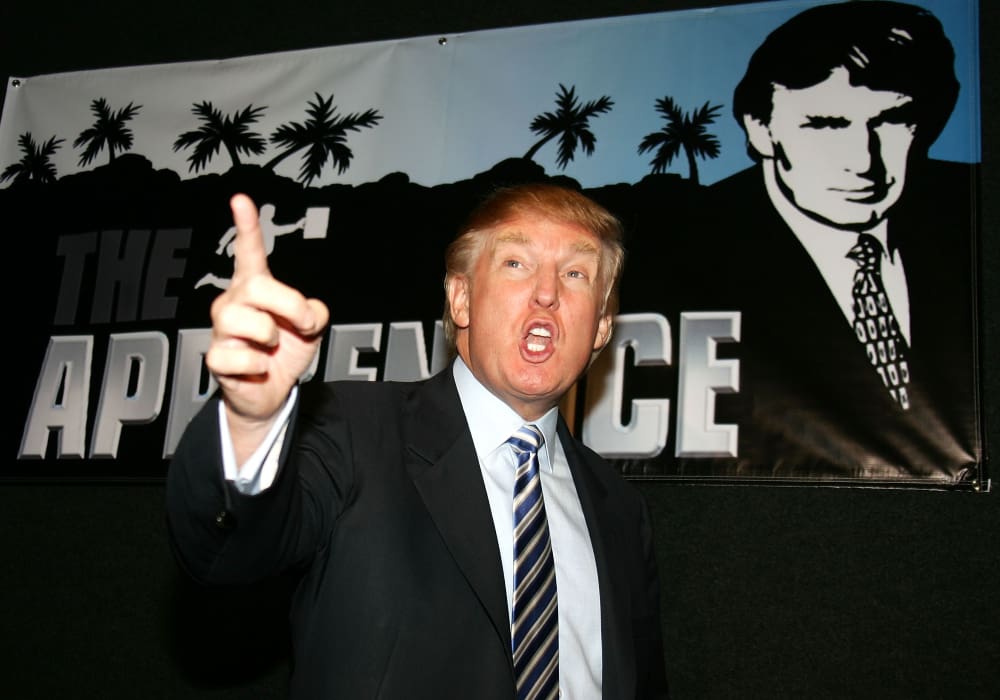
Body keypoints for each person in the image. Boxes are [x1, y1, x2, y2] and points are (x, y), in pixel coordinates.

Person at [166, 183, 669, 698]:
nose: (547, 292)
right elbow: (227, 548)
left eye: (576, 273)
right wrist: (249, 423)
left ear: (601, 326)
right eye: (516, 263)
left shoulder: (620, 510)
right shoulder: (352, 430)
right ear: (461, 298)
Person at [659, 0, 980, 481]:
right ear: (761, 130)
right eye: (827, 124)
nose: (863, 160)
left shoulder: (967, 214)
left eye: (892, 121)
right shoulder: (680, 252)